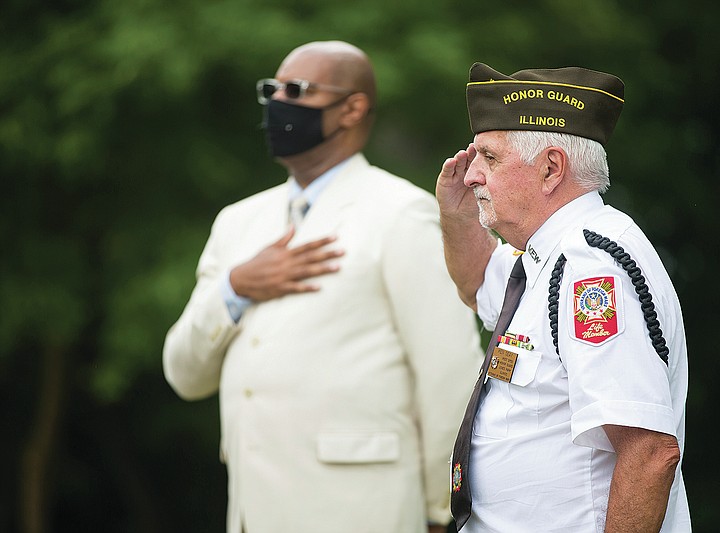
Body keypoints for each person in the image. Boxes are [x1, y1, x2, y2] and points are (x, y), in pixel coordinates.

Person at [163, 41, 483, 533]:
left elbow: (448, 374)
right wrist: (235, 287)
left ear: (352, 108)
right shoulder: (237, 223)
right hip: (253, 512)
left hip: (361, 511)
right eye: (272, 90)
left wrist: (443, 509)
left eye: (297, 91)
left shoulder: (401, 213)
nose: (278, 104)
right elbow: (184, 375)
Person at [436, 62, 691, 532]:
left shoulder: (591, 266)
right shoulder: (544, 255)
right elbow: (477, 286)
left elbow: (649, 452)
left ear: (551, 168)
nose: (471, 175)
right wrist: (456, 219)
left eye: (489, 159)